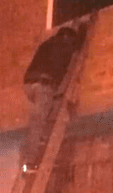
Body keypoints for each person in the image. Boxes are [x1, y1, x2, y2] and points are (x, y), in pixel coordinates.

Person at [22, 25, 86, 172]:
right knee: (38, 123)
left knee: (42, 115)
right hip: (44, 84)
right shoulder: (62, 45)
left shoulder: (48, 43)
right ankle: (30, 164)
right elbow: (76, 47)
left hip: (30, 85)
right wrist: (82, 35)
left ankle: (41, 141)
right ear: (67, 37)